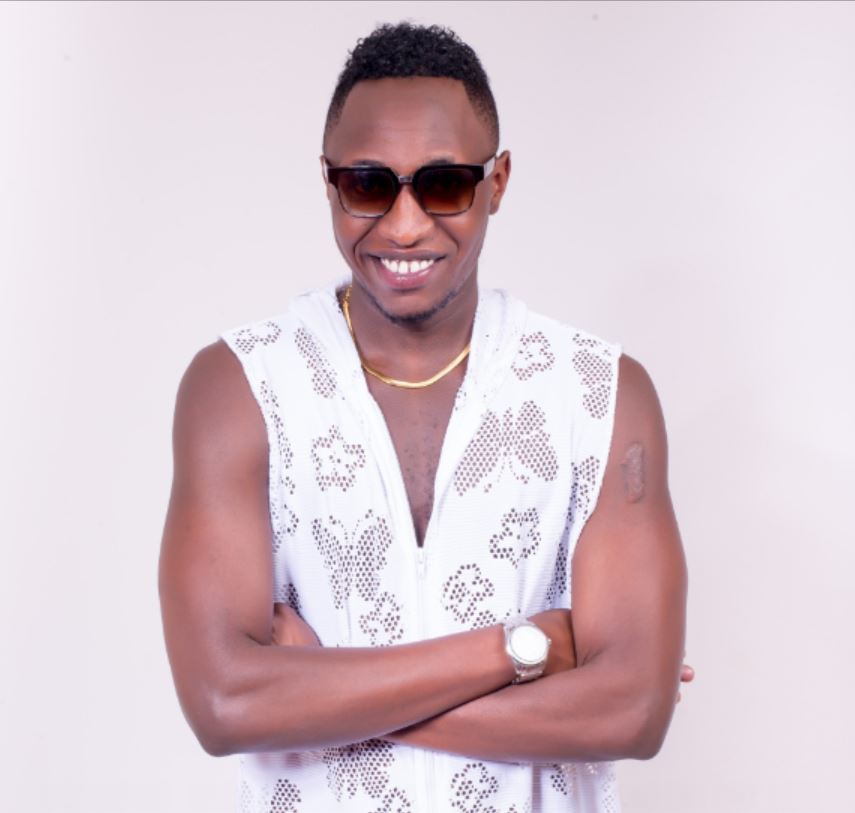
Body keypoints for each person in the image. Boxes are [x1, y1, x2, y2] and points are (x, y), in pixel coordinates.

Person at [159, 22, 693, 813]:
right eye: (368, 183)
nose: (405, 224)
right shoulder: (239, 386)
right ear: (328, 182)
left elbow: (632, 712)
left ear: (497, 182)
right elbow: (225, 703)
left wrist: (319, 689)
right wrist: (527, 648)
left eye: (443, 184)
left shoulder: (599, 394)